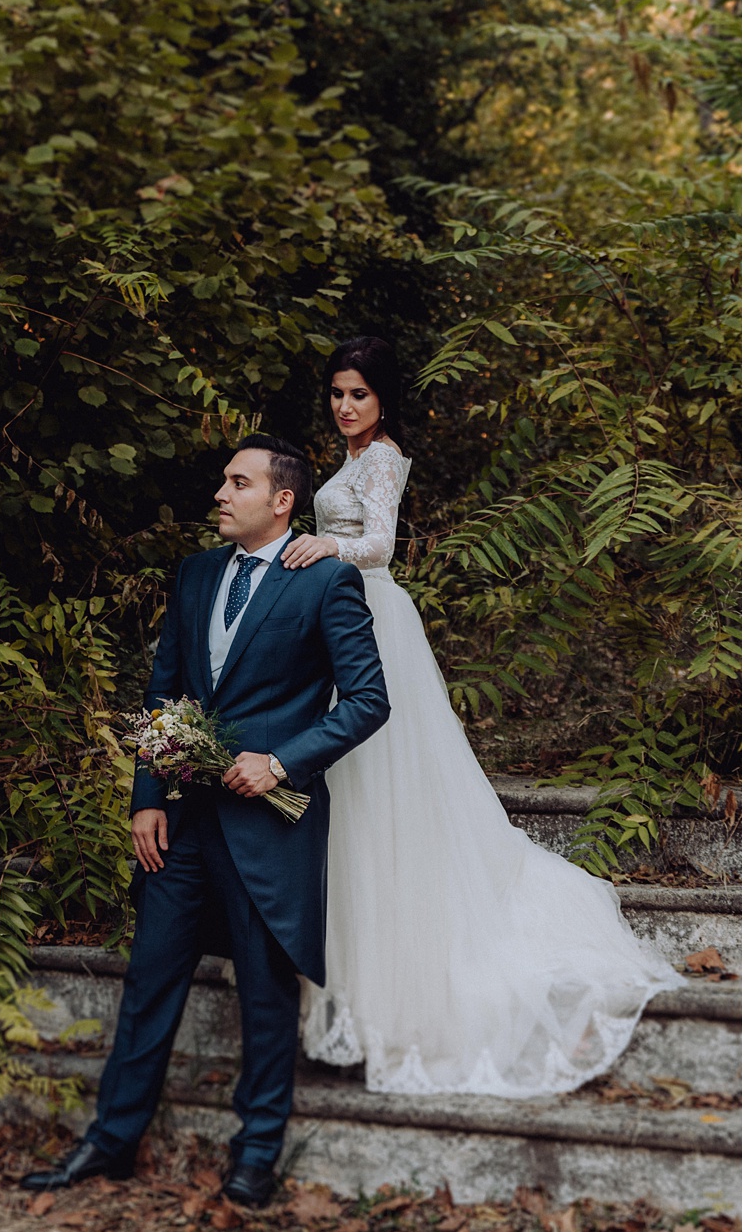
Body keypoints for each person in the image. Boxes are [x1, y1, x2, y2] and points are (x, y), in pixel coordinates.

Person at [289, 329, 678, 1104]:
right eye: (336, 393)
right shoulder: (349, 456)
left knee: (377, 778)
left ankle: (397, 986)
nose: (343, 406)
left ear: (383, 400)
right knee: (347, 785)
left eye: (357, 394)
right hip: (334, 611)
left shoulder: (384, 456)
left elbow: (380, 544)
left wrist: (319, 548)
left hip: (368, 614)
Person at [21, 433, 389, 1212]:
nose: (220, 494)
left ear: (281, 499)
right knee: (149, 981)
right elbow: (164, 693)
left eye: (237, 482)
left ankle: (255, 1153)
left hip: (269, 828)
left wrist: (281, 763)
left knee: (263, 992)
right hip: (181, 824)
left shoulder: (326, 583)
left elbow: (366, 702)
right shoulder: (191, 576)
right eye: (223, 482)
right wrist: (145, 796)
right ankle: (110, 1140)